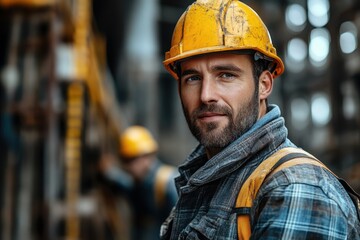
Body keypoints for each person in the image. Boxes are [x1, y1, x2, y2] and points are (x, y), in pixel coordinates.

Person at [159, 0, 360, 239]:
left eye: (226, 75)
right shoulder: (203, 181)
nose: (206, 96)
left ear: (264, 85)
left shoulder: (295, 190)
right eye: (192, 78)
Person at [99, 125, 178, 240]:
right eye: (125, 160)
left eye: (132, 159)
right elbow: (125, 185)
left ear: (147, 156)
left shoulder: (168, 184)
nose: (128, 166)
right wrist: (108, 173)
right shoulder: (138, 185)